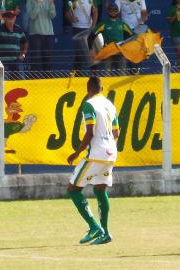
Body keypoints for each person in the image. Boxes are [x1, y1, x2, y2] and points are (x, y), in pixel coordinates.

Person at [66, 76, 119, 245]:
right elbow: (116, 132)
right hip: (111, 151)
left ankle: (94, 227)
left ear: (88, 89)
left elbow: (90, 133)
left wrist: (76, 153)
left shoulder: (89, 104)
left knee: (73, 189)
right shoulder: (110, 105)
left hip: (96, 153)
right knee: (100, 189)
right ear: (102, 89)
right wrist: (108, 148)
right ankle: (105, 233)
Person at [65, 0, 98, 70]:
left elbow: (95, 12)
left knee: (92, 52)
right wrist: (71, 18)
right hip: (78, 29)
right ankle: (77, 76)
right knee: (79, 53)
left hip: (89, 29)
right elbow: (67, 13)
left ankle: (94, 76)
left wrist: (93, 25)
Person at [91, 5, 133, 73]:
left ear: (118, 12)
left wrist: (126, 46)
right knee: (107, 73)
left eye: (115, 10)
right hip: (108, 52)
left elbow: (132, 35)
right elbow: (92, 35)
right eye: (111, 10)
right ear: (108, 12)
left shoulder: (122, 24)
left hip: (120, 52)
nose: (113, 12)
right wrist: (92, 49)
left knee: (122, 73)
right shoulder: (103, 24)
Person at [25, 0, 57, 71]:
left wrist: (51, 3)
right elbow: (32, 16)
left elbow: (52, 15)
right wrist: (38, 4)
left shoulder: (48, 0)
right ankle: (35, 80)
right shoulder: (30, 1)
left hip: (48, 34)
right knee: (36, 58)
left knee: (48, 58)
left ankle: (47, 80)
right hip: (35, 34)